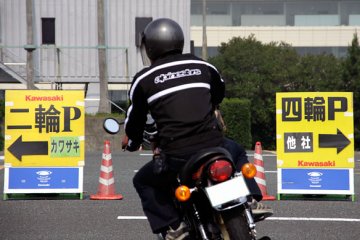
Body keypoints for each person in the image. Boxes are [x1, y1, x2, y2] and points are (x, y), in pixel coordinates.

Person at [123, 18, 272, 239]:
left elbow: (134, 122)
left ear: (151, 47)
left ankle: (174, 226)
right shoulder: (203, 66)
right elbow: (219, 91)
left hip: (178, 153)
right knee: (238, 151)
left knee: (143, 180)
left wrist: (133, 142)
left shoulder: (144, 79)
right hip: (214, 144)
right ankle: (251, 199)